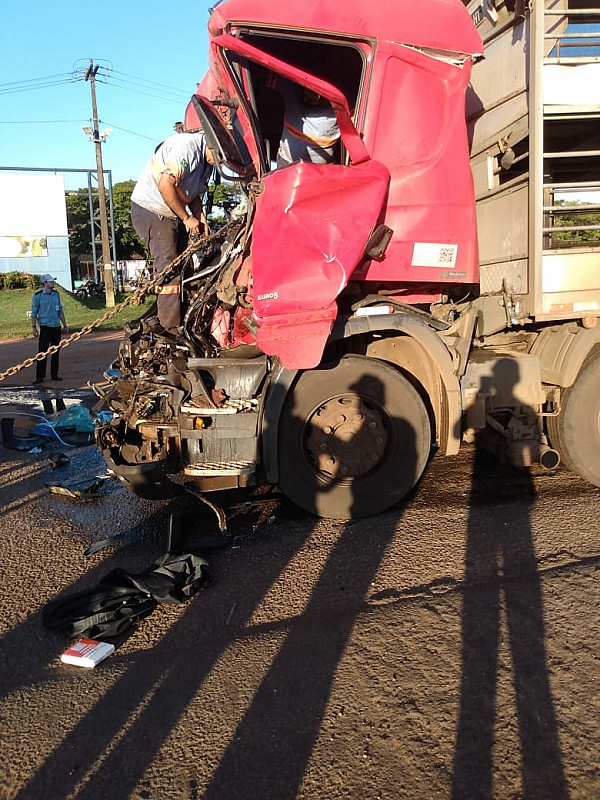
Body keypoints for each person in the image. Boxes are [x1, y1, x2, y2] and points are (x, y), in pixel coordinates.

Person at [131, 125, 214, 333]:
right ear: (213, 142)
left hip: (171, 211)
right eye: (220, 158)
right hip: (152, 209)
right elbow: (164, 185)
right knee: (169, 268)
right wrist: (186, 218)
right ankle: (170, 330)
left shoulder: (208, 161)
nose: (220, 163)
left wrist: (200, 217)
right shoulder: (186, 147)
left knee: (187, 266)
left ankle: (186, 319)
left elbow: (192, 193)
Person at [276, 80, 340, 168]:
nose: (313, 94)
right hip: (288, 164)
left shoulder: (340, 107)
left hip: (324, 169)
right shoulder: (291, 92)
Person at [31, 273, 68, 384]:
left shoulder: (56, 295)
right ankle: (39, 376)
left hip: (56, 327)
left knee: (55, 351)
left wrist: (64, 324)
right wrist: (34, 327)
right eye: (50, 281)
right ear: (45, 283)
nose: (52, 283)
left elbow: (60, 311)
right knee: (42, 352)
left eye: (52, 281)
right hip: (45, 327)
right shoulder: (37, 296)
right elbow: (34, 313)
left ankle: (54, 374)